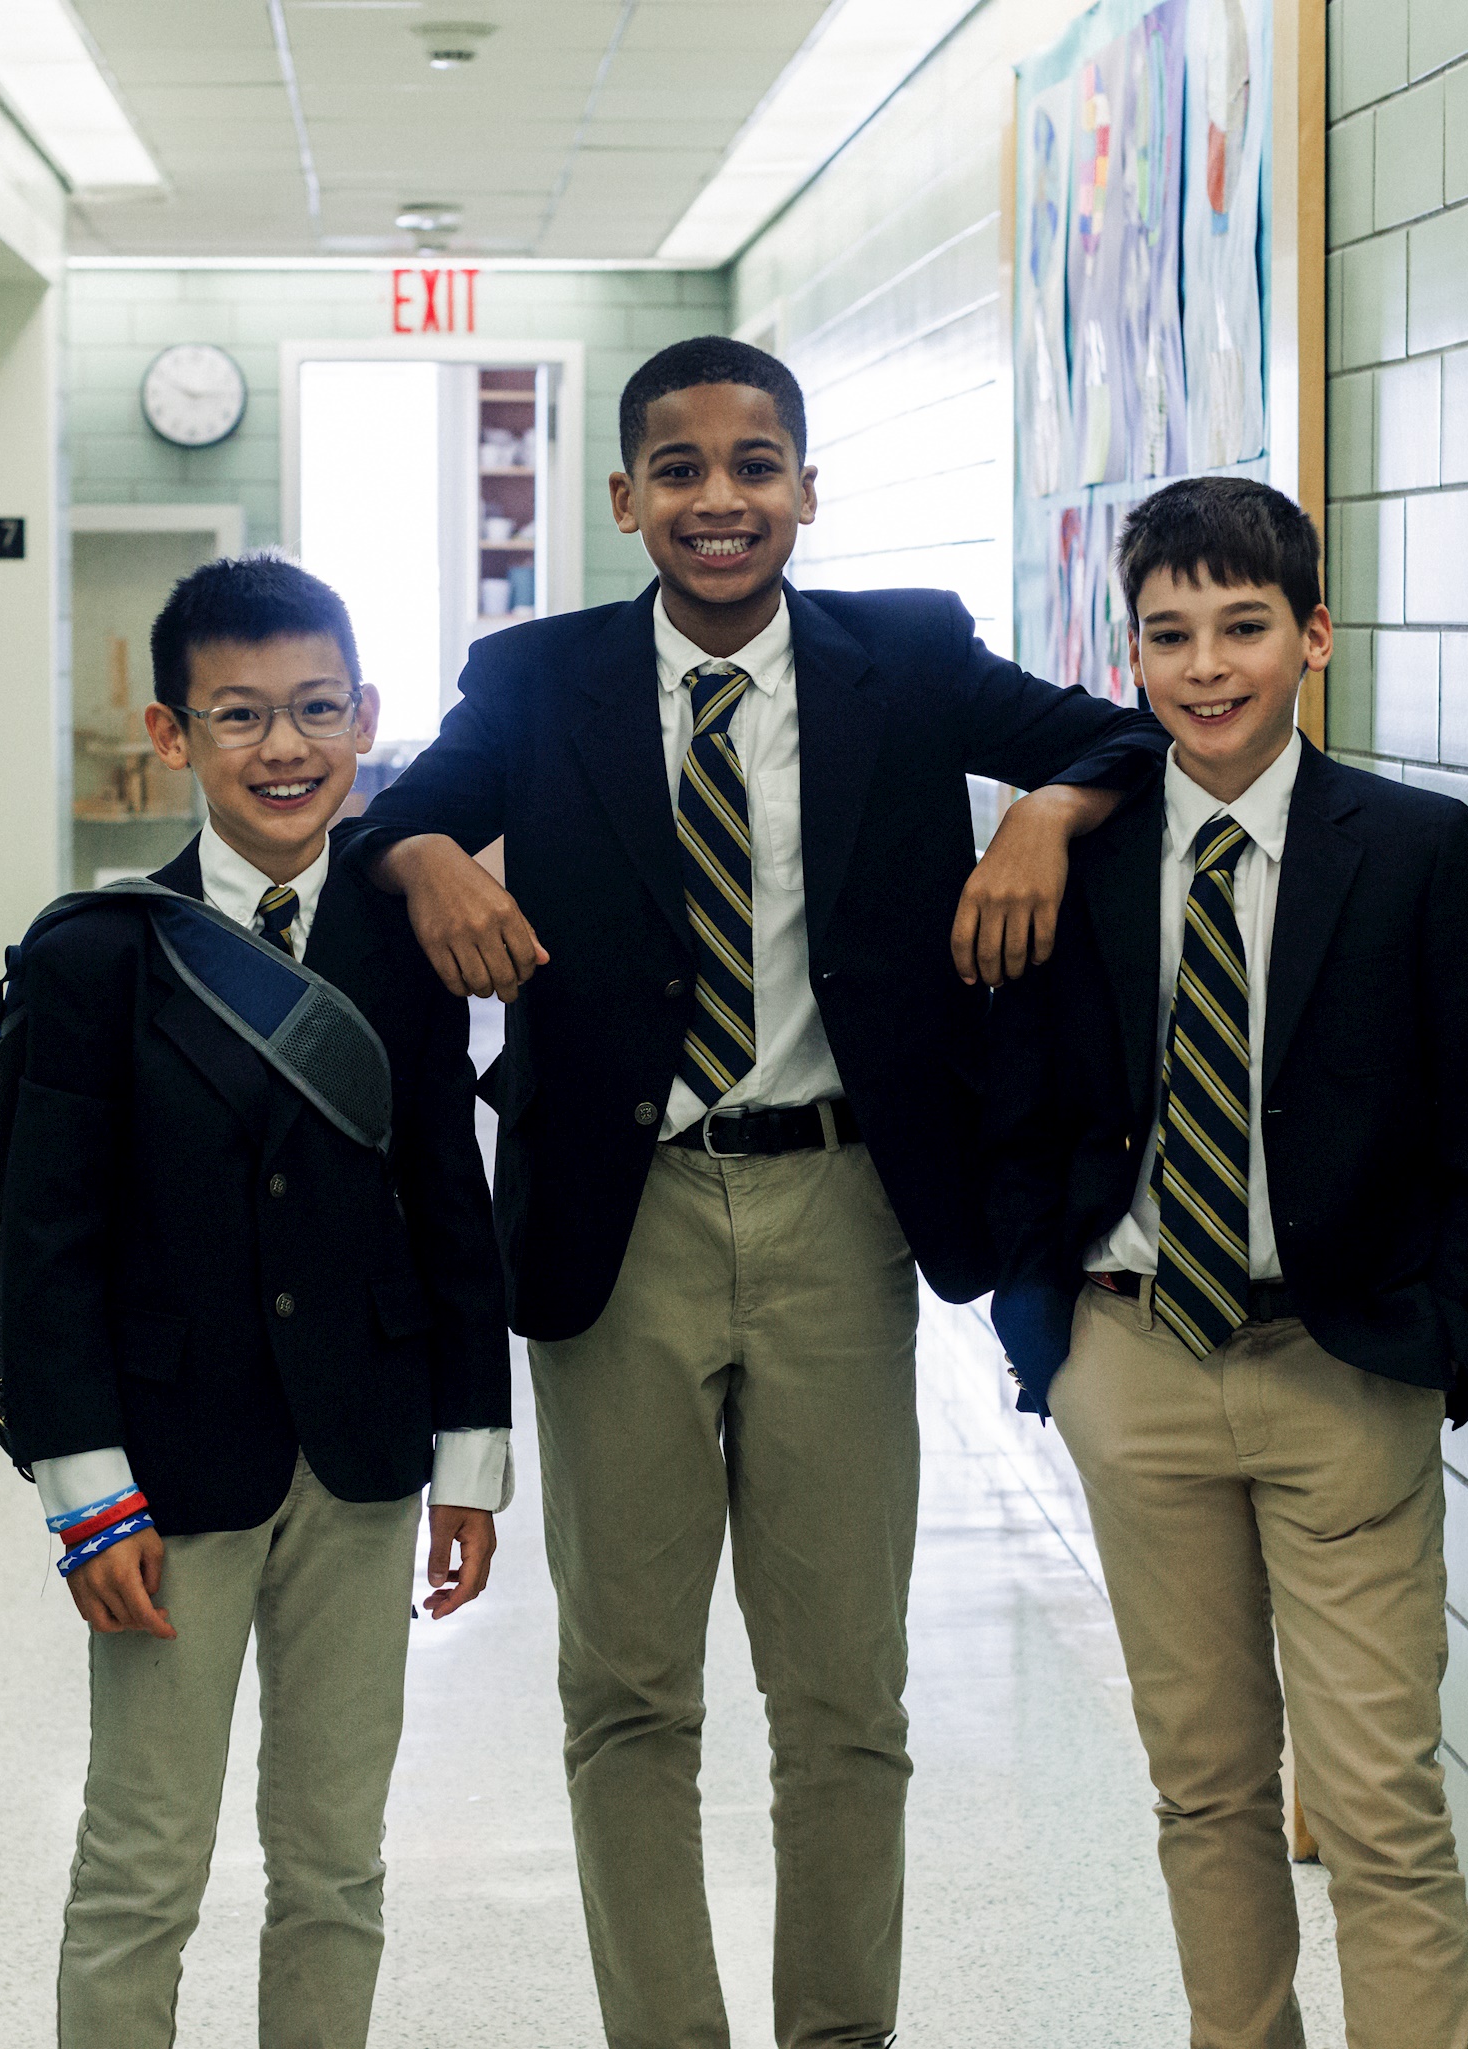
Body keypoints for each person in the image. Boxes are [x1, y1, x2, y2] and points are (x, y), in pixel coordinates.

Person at [331, 335, 1168, 2049]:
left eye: (757, 464)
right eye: (684, 469)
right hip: (612, 1221)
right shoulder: (541, 676)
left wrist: (1043, 821)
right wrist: (423, 850)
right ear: (628, 495)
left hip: (838, 1209)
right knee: (630, 1693)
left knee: (844, 1691)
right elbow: (384, 823)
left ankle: (836, 2034)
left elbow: (1125, 738)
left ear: (804, 486)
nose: (723, 500)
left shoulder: (908, 658)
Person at [979, 475, 1468, 2049]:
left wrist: (1442, 1350)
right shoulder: (1076, 857)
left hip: (1343, 1366)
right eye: (1170, 634)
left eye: (1243, 627)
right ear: (1130, 649)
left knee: (1376, 1797)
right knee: (1206, 1783)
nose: (1207, 666)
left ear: (1315, 637)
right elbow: (1016, 1108)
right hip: (1135, 1360)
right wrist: (1057, 1350)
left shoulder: (1417, 852)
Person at [0, 556, 512, 2049]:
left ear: (365, 714)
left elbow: (446, 1197)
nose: (283, 748)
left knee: (336, 1862)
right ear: (173, 735)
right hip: (166, 1477)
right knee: (142, 1864)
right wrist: (86, 1491)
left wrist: (469, 1454)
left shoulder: (407, 940)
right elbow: (52, 1243)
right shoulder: (101, 955)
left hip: (362, 1455)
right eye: (239, 717)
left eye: (313, 710)